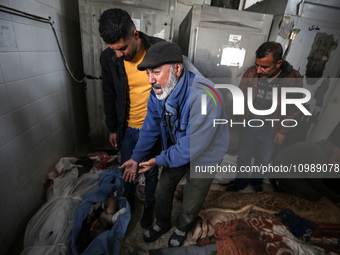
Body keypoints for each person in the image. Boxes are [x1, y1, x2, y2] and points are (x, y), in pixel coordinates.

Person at [120, 41, 229, 247]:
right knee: (163, 188)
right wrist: (135, 158)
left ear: (177, 68)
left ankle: (181, 227)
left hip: (206, 152)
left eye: (157, 72)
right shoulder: (158, 92)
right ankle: (162, 223)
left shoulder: (205, 96)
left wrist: (158, 159)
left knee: (192, 195)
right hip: (181, 146)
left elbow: (192, 146)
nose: (151, 80)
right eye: (148, 74)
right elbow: (150, 127)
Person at [98, 8, 163, 228]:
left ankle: (149, 206)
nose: (118, 54)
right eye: (113, 49)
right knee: (127, 168)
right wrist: (112, 128)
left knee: (150, 170)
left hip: (152, 128)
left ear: (135, 34)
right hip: (127, 128)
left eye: (122, 48)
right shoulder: (108, 58)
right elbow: (109, 93)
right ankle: (128, 202)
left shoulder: (159, 49)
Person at [227, 41, 303, 192]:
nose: (259, 70)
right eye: (257, 65)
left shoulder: (293, 78)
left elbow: (295, 109)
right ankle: (240, 184)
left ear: (278, 63)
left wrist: (283, 131)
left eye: (265, 66)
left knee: (263, 159)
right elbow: (241, 97)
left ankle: (256, 184)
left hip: (271, 127)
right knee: (243, 156)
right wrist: (239, 118)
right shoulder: (251, 72)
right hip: (249, 122)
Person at [271, 140, 340, 204]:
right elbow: (316, 182)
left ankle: (284, 184)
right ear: (335, 150)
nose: (334, 165)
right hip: (280, 168)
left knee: (313, 188)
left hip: (292, 169)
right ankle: (281, 186)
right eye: (336, 160)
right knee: (314, 194)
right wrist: (336, 198)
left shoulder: (326, 152)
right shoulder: (319, 153)